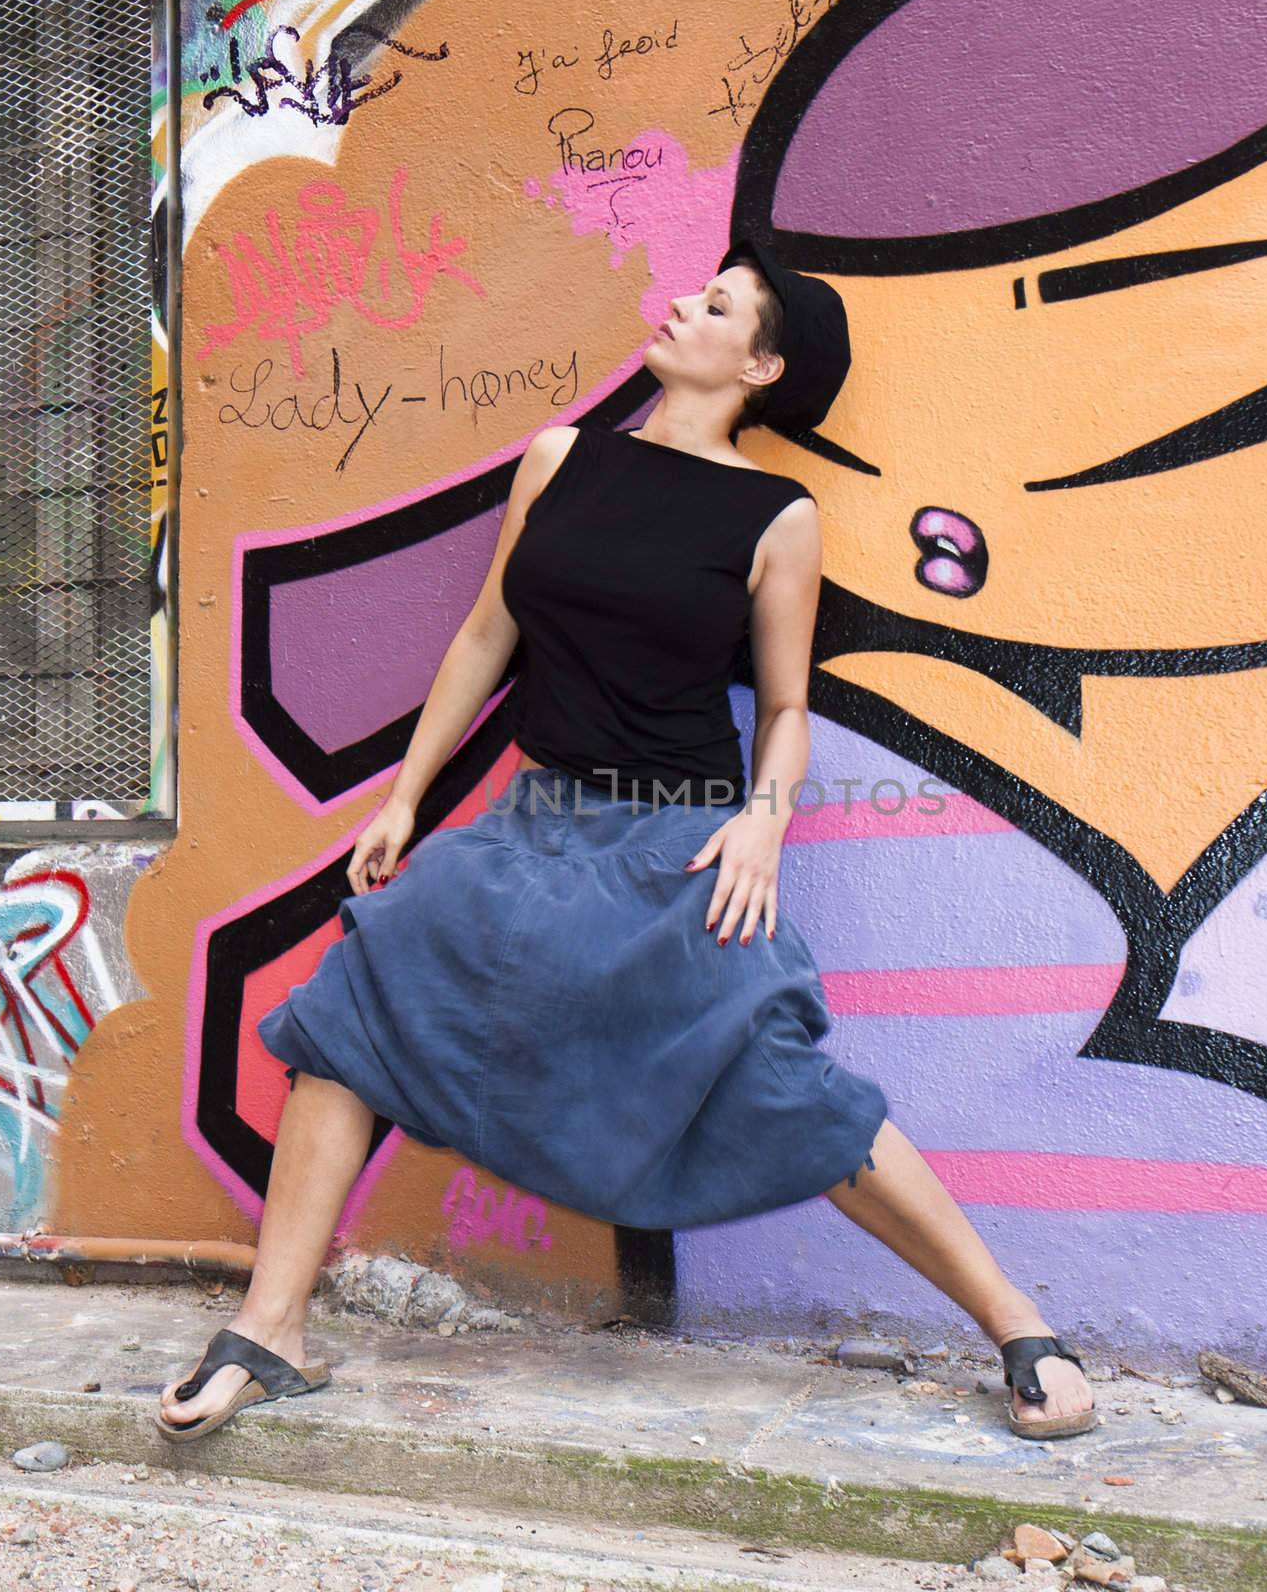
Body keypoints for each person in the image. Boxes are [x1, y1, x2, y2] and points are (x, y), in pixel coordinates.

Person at [155, 240, 1097, 1444]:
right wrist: (405, 797)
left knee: (779, 1078)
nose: (679, 307)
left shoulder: (777, 515)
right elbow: (487, 635)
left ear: (760, 363)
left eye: (714, 307)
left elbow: (790, 705)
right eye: (695, 293)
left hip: (678, 845)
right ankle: (270, 1327)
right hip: (532, 829)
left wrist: (763, 824)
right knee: (353, 1009)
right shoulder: (563, 460)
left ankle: (1014, 1318)